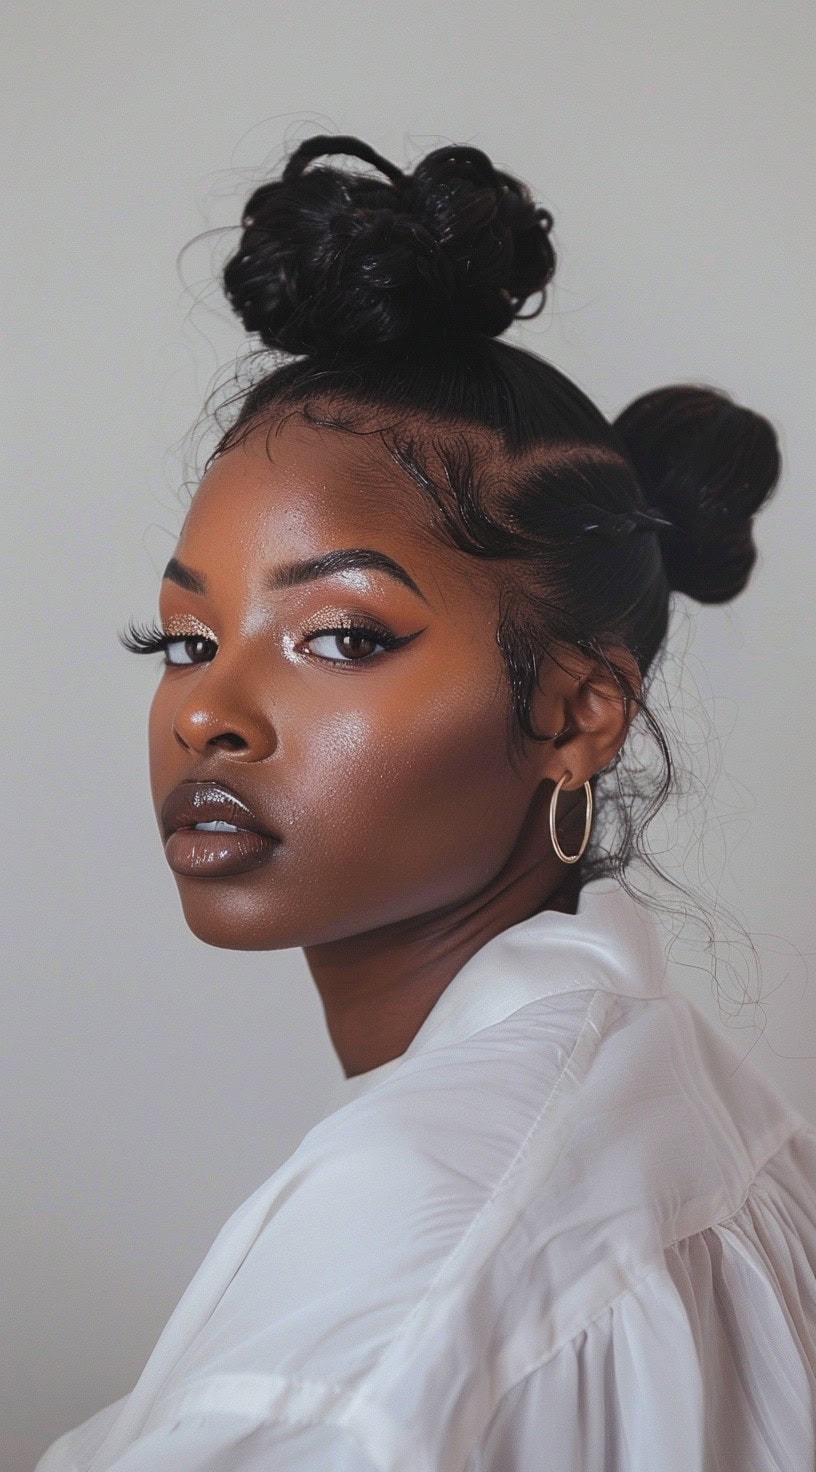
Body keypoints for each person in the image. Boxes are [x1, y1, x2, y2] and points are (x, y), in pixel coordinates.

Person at [36, 135, 816, 1471]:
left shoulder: (409, 1279)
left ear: (578, 711)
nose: (206, 710)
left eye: (341, 636)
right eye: (182, 638)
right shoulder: (689, 1101)